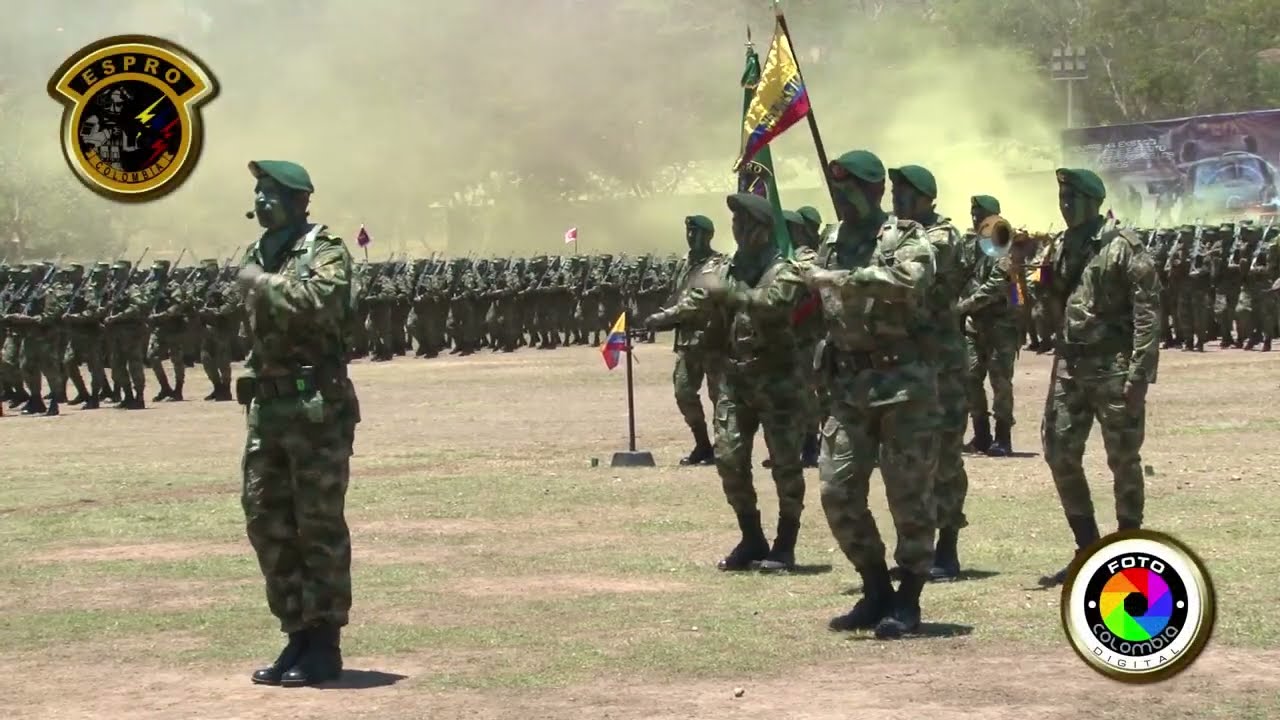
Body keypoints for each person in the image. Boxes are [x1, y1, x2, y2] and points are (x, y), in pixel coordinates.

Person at [799, 150, 939, 639]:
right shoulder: (831, 240)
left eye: (852, 187)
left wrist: (835, 278)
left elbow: (908, 280)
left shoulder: (906, 237)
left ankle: (909, 598)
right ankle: (875, 586)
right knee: (837, 492)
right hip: (847, 386)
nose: (843, 196)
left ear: (875, 189)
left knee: (909, 497)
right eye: (838, 189)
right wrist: (802, 275)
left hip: (902, 386)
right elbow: (813, 291)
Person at [236, 160, 361, 686]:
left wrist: (262, 283)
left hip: (315, 409)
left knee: (317, 525)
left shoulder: (325, 249)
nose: (263, 200)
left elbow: (319, 301)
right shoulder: (257, 253)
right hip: (267, 408)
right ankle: (296, 632)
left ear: (300, 200)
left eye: (273, 193)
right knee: (266, 520)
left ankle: (324, 643)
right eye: (259, 192)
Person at [645, 193, 808, 573]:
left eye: (744, 224)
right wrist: (666, 317)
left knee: (785, 464)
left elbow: (772, 304)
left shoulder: (785, 270)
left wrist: (727, 293)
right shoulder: (727, 269)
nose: (737, 230)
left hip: (778, 380)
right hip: (736, 379)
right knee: (729, 459)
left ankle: (785, 543)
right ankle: (751, 536)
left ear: (763, 231)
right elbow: (701, 297)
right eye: (735, 223)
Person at [1037, 168, 1160, 587]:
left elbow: (1148, 314)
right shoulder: (1059, 246)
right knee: (1059, 453)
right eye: (1061, 198)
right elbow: (1048, 301)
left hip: (1115, 367)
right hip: (1071, 367)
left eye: (1073, 198)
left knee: (1122, 459)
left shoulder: (1124, 247)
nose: (1065, 205)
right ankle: (1088, 549)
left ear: (1093, 200)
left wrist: (1140, 375)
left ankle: (1129, 552)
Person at [885, 164, 970, 582]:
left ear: (925, 198)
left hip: (943, 362)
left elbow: (912, 273)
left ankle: (948, 547)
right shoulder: (895, 234)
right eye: (893, 191)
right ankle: (914, 549)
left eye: (904, 193)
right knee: (909, 459)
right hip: (908, 361)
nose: (896, 199)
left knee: (946, 457)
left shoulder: (942, 236)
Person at [957, 195, 1020, 457]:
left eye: (980, 213)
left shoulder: (1004, 244)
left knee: (1000, 381)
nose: (975, 217)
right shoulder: (971, 245)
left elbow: (996, 286)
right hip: (975, 325)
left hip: (1000, 326)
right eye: (973, 212)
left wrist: (964, 305)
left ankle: (1003, 437)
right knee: (970, 377)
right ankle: (981, 435)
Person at [665, 215, 726, 465]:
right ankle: (702, 444)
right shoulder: (684, 263)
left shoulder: (719, 263)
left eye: (696, 233)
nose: (691, 237)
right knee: (683, 392)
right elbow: (677, 295)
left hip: (713, 340)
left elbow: (710, 298)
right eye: (689, 232)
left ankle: (723, 449)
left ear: (709, 235)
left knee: (719, 397)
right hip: (687, 341)